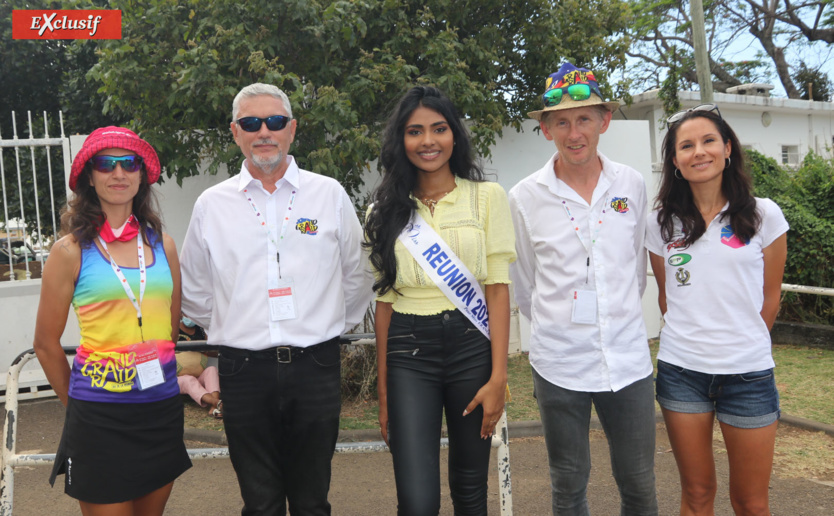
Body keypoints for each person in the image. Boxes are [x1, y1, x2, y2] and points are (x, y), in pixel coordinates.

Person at [179, 82, 373, 516]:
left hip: (315, 365)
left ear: (292, 129)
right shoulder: (212, 204)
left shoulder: (328, 194)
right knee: (260, 502)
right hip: (243, 368)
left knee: (311, 500)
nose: (263, 131)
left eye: (274, 121)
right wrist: (235, 323)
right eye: (251, 123)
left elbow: (356, 272)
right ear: (235, 132)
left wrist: (330, 325)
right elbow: (193, 288)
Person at [508, 63, 658, 515]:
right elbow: (525, 283)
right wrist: (562, 324)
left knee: (639, 485)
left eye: (585, 118)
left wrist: (613, 315)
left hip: (628, 360)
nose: (575, 133)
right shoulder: (524, 196)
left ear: (604, 121)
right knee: (568, 487)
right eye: (562, 122)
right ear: (546, 128)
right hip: (559, 364)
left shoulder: (630, 184)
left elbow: (634, 266)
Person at [364, 86, 517, 516]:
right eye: (415, 131)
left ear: (454, 136)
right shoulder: (384, 210)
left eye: (438, 129)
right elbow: (385, 301)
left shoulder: (487, 198)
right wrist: (383, 389)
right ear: (401, 140)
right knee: (416, 501)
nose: (427, 141)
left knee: (470, 491)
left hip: (473, 348)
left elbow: (498, 288)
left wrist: (499, 378)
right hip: (409, 352)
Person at [32, 126, 191, 515]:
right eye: (106, 164)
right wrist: (82, 404)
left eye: (129, 163)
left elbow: (169, 330)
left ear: (141, 174)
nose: (119, 173)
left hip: (159, 410)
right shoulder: (68, 251)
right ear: (89, 175)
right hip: (99, 416)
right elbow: (45, 344)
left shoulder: (162, 244)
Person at [646, 104, 788, 515]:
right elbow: (667, 297)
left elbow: (771, 296)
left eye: (709, 141)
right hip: (682, 373)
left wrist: (741, 341)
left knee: (750, 502)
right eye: (686, 146)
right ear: (675, 161)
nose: (699, 152)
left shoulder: (764, 215)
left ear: (727, 149)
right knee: (696, 495)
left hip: (749, 374)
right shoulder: (660, 223)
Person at [176, 317, 221, 418]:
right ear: (182, 313)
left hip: (198, 375)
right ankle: (215, 402)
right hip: (177, 379)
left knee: (212, 370)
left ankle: (214, 407)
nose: (189, 317)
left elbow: (211, 350)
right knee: (189, 379)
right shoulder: (174, 328)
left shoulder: (201, 330)